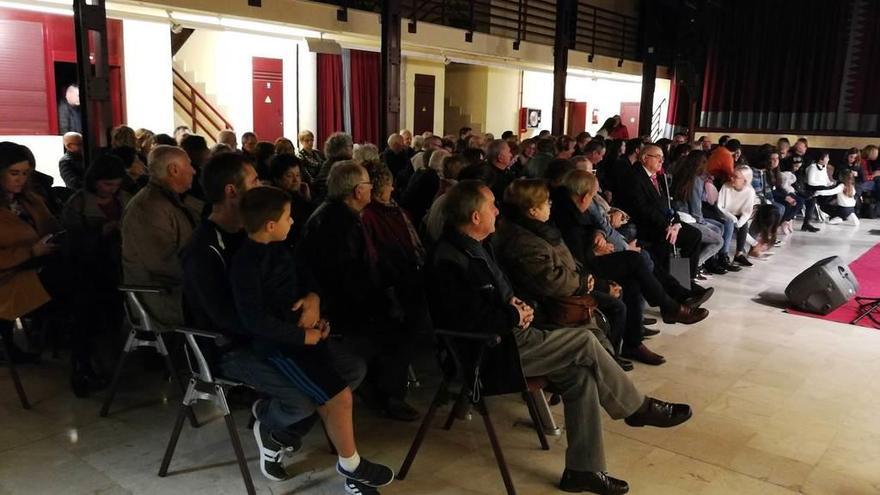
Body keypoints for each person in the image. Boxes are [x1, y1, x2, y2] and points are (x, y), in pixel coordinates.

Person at [429, 180, 693, 494]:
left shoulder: (476, 245)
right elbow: (466, 320)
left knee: (581, 376)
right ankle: (637, 409)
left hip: (512, 338)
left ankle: (583, 471)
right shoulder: (449, 259)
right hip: (488, 355)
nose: (498, 211)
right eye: (491, 207)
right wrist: (513, 314)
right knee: (584, 341)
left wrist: (516, 306)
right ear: (475, 217)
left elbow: (496, 294)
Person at [229, 186, 393, 492]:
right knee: (338, 396)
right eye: (288, 218)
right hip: (284, 348)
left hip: (307, 339)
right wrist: (302, 335)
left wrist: (316, 305)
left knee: (339, 388)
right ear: (270, 225)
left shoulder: (282, 247)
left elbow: (305, 279)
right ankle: (351, 466)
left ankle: (350, 467)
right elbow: (254, 320)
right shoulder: (246, 264)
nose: (293, 223)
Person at [300, 162, 421, 421]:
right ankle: (388, 396)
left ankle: (378, 386)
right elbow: (349, 277)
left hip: (342, 296)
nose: (371, 189)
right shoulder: (338, 223)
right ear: (357, 191)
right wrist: (384, 298)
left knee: (402, 308)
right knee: (402, 327)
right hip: (336, 305)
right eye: (367, 185)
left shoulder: (337, 214)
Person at [121, 145, 202, 327]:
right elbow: (162, 265)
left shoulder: (169, 200)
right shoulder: (149, 207)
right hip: (162, 297)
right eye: (189, 165)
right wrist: (204, 279)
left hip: (177, 289)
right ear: (173, 170)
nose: (194, 171)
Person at [617, 145, 708, 299]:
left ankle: (685, 282)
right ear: (645, 157)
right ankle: (679, 289)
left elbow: (668, 204)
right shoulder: (634, 176)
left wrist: (676, 223)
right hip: (645, 225)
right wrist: (667, 226)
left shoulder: (657, 177)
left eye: (663, 157)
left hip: (663, 222)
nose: (661, 160)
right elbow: (642, 209)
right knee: (672, 240)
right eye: (657, 156)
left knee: (693, 235)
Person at [268, 153, 313, 245]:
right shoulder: (276, 202)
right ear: (277, 179)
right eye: (289, 176)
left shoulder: (298, 195)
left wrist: (307, 199)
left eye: (297, 175)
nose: (296, 180)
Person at [718, 166, 756, 265]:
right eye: (732, 175)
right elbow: (719, 207)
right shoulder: (726, 186)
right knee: (732, 222)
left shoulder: (750, 192)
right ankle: (724, 255)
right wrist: (732, 218)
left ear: (745, 181)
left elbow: (747, 212)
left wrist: (739, 223)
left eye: (735, 177)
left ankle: (738, 254)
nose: (731, 178)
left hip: (738, 215)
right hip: (723, 214)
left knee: (743, 224)